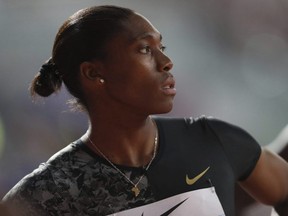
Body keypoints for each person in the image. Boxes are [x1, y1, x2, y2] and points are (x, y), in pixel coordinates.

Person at [1, 5, 288, 216]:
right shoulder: (45, 193)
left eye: (160, 46)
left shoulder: (216, 139)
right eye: (144, 50)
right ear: (93, 74)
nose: (166, 61)